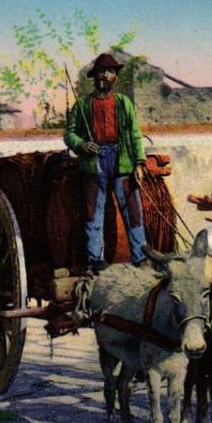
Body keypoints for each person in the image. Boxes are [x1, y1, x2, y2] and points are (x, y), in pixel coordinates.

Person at [64, 52, 148, 270]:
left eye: (109, 72)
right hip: (94, 161)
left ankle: (140, 256)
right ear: (94, 77)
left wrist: (139, 162)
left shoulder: (124, 103)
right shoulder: (82, 106)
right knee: (94, 211)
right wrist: (82, 145)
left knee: (133, 209)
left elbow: (135, 134)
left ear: (115, 78)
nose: (105, 75)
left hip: (122, 160)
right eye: (101, 72)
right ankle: (96, 260)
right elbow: (69, 134)